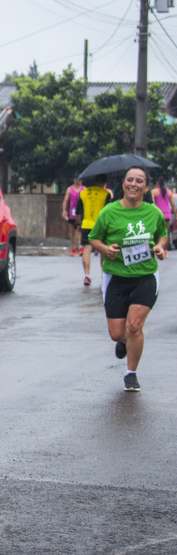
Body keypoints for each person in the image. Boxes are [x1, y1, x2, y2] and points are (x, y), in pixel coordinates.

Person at [88, 167, 168, 392]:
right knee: (117, 333)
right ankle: (123, 342)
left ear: (146, 187)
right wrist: (106, 249)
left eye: (139, 181)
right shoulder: (109, 212)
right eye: (130, 180)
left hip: (145, 276)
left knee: (134, 326)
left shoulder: (154, 213)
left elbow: (162, 235)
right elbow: (94, 238)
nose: (134, 184)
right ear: (123, 184)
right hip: (116, 276)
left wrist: (160, 248)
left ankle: (131, 374)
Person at [76, 174, 111, 286]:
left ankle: (87, 275)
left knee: (86, 249)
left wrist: (78, 224)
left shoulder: (83, 193)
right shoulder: (106, 194)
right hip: (101, 225)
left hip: (86, 224)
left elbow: (78, 211)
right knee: (102, 250)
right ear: (104, 183)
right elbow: (108, 212)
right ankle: (104, 275)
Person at [61, 176, 85, 255]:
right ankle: (73, 248)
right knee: (72, 231)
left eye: (80, 179)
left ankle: (80, 247)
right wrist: (64, 210)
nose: (78, 181)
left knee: (80, 229)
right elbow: (65, 200)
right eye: (77, 179)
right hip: (72, 213)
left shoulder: (84, 189)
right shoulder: (69, 189)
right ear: (74, 179)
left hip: (81, 213)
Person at [150, 177, 175, 250]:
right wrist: (176, 214)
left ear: (157, 183)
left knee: (156, 232)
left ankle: (157, 248)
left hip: (158, 214)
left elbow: (151, 203)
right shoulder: (169, 192)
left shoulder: (154, 191)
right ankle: (165, 249)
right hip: (167, 214)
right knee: (165, 232)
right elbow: (173, 205)